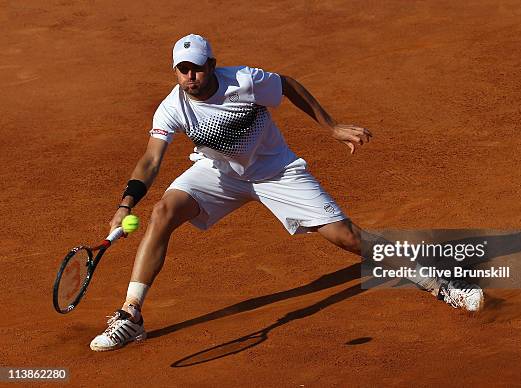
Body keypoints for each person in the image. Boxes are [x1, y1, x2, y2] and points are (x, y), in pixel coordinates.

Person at [89, 34, 484, 352]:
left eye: (197, 68)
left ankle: (439, 285)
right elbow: (150, 160)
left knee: (347, 237)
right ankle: (131, 314)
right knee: (163, 212)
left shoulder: (243, 80)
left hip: (276, 171)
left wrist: (330, 126)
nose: (190, 76)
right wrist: (124, 205)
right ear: (176, 71)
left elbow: (288, 85)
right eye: (183, 69)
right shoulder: (171, 108)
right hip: (219, 173)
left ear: (211, 65)